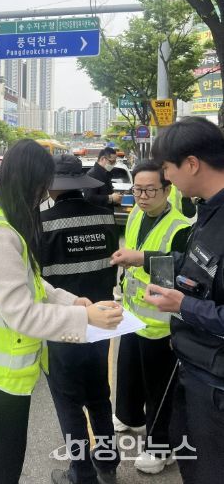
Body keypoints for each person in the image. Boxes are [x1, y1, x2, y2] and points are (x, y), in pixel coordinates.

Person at [0, 139, 123, 484]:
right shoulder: (1, 231)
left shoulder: (2, 217)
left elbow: (31, 280)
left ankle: (83, 472)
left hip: (4, 367)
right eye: (41, 186)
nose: (43, 194)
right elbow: (22, 313)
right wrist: (84, 316)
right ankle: (99, 467)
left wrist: (72, 301)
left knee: (5, 464)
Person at [111, 117, 224, 484]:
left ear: (191, 164)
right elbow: (195, 267)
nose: (167, 179)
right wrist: (142, 258)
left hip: (213, 379)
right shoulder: (208, 212)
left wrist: (183, 306)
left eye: (167, 170)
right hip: (194, 364)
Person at [40, 154, 120, 484]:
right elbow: (112, 267)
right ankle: (108, 466)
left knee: (68, 402)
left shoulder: (41, 223)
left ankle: (81, 472)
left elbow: (37, 281)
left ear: (53, 187)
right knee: (99, 396)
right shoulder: (105, 217)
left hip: (62, 327)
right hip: (100, 323)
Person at [112, 160, 190, 475]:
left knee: (160, 389)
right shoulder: (135, 214)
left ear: (167, 190)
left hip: (161, 324)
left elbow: (175, 275)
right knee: (128, 373)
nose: (142, 197)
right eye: (138, 190)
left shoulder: (180, 227)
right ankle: (129, 417)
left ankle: (161, 448)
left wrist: (139, 259)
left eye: (150, 190)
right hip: (132, 314)